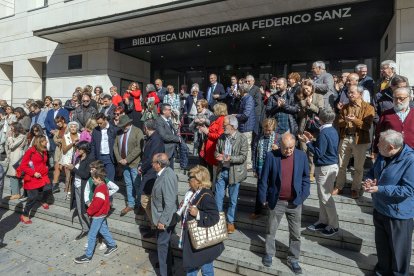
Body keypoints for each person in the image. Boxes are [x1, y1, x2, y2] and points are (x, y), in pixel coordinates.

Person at [363, 130, 414, 275]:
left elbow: (408, 190)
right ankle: (382, 270)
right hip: (380, 208)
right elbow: (373, 171)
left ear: (391, 147)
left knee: (399, 252)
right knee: (382, 246)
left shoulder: (410, 161)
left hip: (398, 214)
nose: (377, 145)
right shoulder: (383, 153)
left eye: (380, 143)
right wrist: (369, 179)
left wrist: (380, 188)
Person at [258, 133, 310, 274]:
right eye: (285, 148)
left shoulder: (301, 156)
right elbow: (264, 179)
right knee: (271, 230)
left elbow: (306, 177)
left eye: (291, 148)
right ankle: (269, 254)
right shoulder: (271, 156)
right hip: (277, 201)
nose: (288, 151)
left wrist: (304, 195)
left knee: (295, 234)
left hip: (295, 202)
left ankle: (293, 259)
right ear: (280, 145)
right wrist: (263, 198)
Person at [299, 109, 340, 236]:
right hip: (329, 166)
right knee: (323, 196)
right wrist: (313, 140)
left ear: (320, 119)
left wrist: (307, 142)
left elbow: (318, 153)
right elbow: (324, 147)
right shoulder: (332, 130)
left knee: (325, 197)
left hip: (325, 168)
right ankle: (323, 220)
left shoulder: (324, 133)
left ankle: (333, 225)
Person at [181, 165, 225, 275]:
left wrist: (198, 214)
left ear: (198, 181)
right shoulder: (193, 193)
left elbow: (214, 217)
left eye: (190, 179)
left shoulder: (206, 196)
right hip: (200, 243)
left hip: (201, 241)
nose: (188, 181)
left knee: (194, 269)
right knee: (206, 268)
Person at [333, 85, 375, 198]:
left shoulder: (369, 108)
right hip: (345, 137)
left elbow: (366, 126)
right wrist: (345, 121)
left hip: (360, 140)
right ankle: (339, 186)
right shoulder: (345, 107)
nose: (349, 95)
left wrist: (354, 120)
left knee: (358, 167)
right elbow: (339, 122)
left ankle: (355, 188)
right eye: (348, 93)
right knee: (341, 165)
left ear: (360, 94)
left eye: (352, 93)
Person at [74, 168, 118, 264]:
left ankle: (88, 255)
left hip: (98, 214)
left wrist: (89, 212)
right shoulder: (103, 186)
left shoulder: (100, 190)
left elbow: (96, 205)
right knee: (103, 230)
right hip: (102, 213)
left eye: (93, 178)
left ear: (99, 178)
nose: (92, 180)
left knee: (91, 235)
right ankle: (112, 245)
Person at [214, 115, 248, 234]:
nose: (223, 127)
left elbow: (243, 157)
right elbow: (216, 151)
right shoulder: (222, 137)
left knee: (233, 200)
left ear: (233, 126)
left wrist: (229, 158)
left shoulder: (242, 138)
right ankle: (218, 220)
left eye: (225, 125)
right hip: (222, 171)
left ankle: (230, 222)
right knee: (218, 197)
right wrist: (217, 156)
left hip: (235, 173)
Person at [151, 153, 178, 276]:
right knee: (165, 244)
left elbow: (170, 202)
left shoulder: (167, 176)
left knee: (162, 246)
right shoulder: (164, 173)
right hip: (164, 216)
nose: (152, 164)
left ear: (159, 164)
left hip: (165, 218)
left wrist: (162, 221)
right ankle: (168, 264)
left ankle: (165, 272)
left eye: (153, 162)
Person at [139, 119, 165, 238]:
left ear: (146, 127)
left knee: (145, 200)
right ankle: (152, 225)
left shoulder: (156, 140)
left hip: (151, 173)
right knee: (146, 200)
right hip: (148, 172)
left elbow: (152, 158)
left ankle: (155, 226)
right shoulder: (151, 138)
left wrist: (142, 168)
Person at [114, 115, 144, 216]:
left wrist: (127, 159)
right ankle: (131, 204)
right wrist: (119, 159)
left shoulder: (137, 131)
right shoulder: (119, 133)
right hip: (123, 164)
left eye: (124, 126)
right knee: (128, 183)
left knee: (137, 184)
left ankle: (140, 205)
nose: (123, 128)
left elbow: (139, 148)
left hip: (134, 163)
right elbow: (115, 147)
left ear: (129, 123)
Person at [250, 118, 280, 219]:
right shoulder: (258, 137)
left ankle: (271, 211)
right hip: (261, 168)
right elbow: (254, 154)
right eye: (266, 129)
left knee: (272, 189)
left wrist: (279, 149)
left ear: (274, 128)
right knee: (260, 189)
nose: (267, 132)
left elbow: (284, 154)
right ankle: (257, 211)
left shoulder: (278, 138)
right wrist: (254, 169)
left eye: (270, 130)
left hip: (273, 169)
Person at [296, 79, 324, 182]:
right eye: (304, 89)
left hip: (315, 128)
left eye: (307, 89)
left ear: (312, 88)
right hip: (304, 127)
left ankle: (311, 173)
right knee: (303, 150)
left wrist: (310, 105)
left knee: (312, 152)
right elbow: (299, 115)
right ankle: (303, 171)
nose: (306, 91)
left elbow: (320, 111)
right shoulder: (301, 97)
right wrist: (304, 105)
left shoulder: (319, 97)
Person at [19, 136, 51, 224]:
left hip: (43, 176)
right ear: (38, 142)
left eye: (46, 140)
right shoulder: (30, 151)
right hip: (32, 177)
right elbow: (23, 165)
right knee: (32, 197)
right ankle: (25, 214)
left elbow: (43, 162)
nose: (46, 142)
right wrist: (33, 173)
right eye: (44, 141)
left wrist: (46, 168)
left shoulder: (44, 150)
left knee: (48, 189)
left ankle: (42, 200)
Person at [374, 87, 414, 154]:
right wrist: (375, 151)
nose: (398, 101)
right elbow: (378, 133)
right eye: (395, 98)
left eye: (401, 98)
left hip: (411, 154)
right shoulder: (386, 114)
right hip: (391, 153)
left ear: (409, 98)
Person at [67, 141, 94, 240]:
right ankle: (85, 228)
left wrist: (73, 169)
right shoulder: (78, 158)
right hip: (76, 186)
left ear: (84, 150)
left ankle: (93, 229)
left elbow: (85, 175)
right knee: (79, 209)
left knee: (84, 210)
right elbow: (76, 172)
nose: (77, 150)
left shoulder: (90, 160)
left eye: (79, 149)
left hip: (84, 188)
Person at [199, 103, 227, 177]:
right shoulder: (217, 118)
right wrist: (205, 128)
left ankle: (211, 187)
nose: (213, 111)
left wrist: (208, 132)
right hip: (209, 146)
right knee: (209, 169)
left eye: (215, 109)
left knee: (212, 171)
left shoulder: (222, 120)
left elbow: (219, 135)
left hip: (214, 147)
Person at [90, 113, 117, 181]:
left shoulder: (113, 129)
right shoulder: (96, 130)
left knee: (110, 179)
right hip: (99, 157)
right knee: (100, 178)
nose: (99, 125)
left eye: (101, 123)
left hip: (109, 157)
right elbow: (93, 145)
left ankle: (109, 191)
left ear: (105, 119)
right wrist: (93, 158)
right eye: (98, 123)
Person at [235, 83, 255, 170]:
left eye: (239, 89)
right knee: (243, 145)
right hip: (243, 126)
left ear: (242, 90)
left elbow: (246, 114)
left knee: (247, 146)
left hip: (246, 126)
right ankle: (244, 163)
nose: (238, 91)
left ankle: (248, 164)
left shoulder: (248, 99)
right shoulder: (243, 98)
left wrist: (236, 115)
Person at [5, 122, 27, 200]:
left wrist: (10, 138)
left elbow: (12, 146)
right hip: (12, 155)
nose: (11, 129)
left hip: (17, 156)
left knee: (14, 174)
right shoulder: (14, 135)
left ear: (16, 128)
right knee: (12, 174)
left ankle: (16, 193)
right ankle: (15, 193)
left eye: (12, 128)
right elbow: (7, 145)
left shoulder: (22, 136)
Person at [156, 104, 181, 169]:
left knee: (170, 171)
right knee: (165, 172)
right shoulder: (159, 121)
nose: (171, 111)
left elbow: (172, 132)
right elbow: (163, 136)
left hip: (171, 151)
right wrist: (177, 139)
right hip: (165, 151)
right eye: (169, 110)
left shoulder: (168, 120)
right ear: (164, 111)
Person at [59, 121, 80, 196]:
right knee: (68, 177)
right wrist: (72, 143)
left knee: (75, 176)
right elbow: (64, 150)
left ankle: (74, 192)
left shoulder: (80, 136)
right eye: (71, 127)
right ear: (69, 128)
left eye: (74, 127)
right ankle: (67, 192)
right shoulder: (65, 136)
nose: (73, 128)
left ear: (77, 128)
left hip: (77, 159)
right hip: (67, 158)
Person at [51, 116, 67, 194]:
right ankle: (55, 185)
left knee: (64, 168)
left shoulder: (68, 128)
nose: (58, 124)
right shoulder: (58, 130)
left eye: (59, 122)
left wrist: (60, 140)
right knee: (56, 167)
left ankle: (68, 185)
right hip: (58, 150)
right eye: (57, 123)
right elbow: (55, 139)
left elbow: (68, 139)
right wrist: (59, 141)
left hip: (65, 150)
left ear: (63, 120)